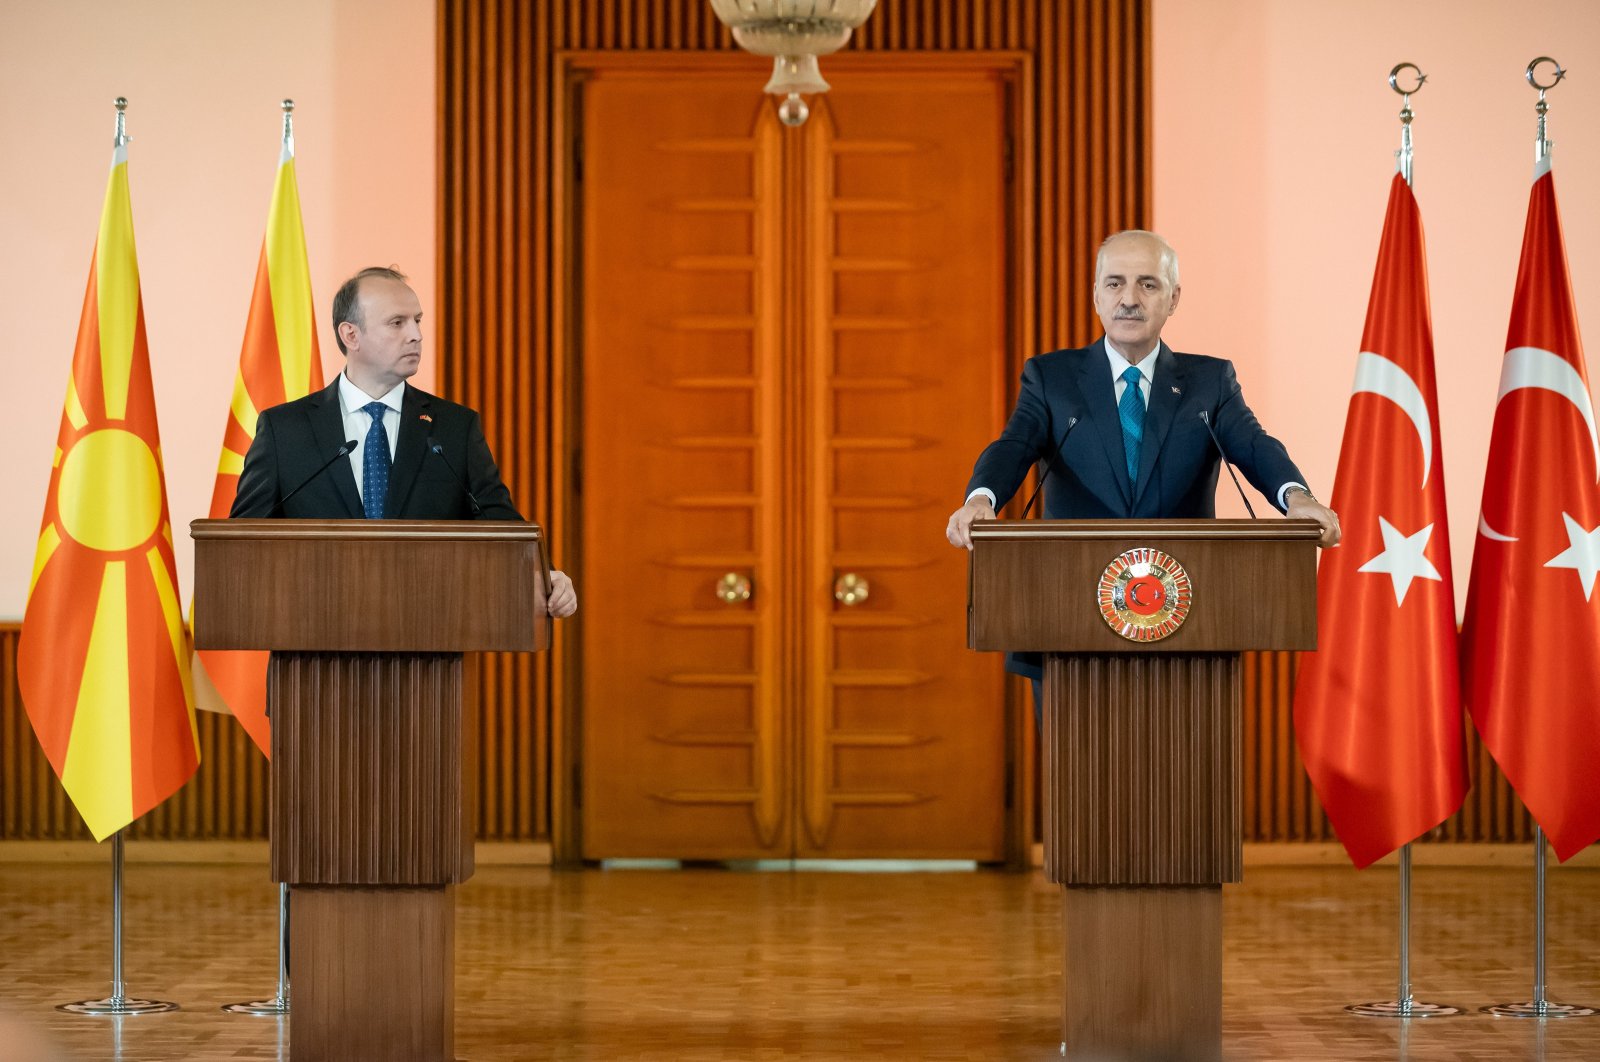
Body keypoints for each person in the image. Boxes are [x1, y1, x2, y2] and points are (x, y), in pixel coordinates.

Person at [946, 230, 1336, 681]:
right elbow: (1014, 446)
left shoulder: (1210, 380)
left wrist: (1297, 498)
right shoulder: (1050, 377)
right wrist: (982, 499)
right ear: (1096, 295)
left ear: (1173, 299)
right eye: (1114, 283)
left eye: (1148, 284)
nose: (1129, 298)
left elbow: (1252, 445)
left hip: (1188, 619)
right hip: (1065, 612)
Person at [231, 265, 577, 618]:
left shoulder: (453, 428)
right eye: (397, 323)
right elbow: (240, 544)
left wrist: (544, 575)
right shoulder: (285, 430)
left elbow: (500, 525)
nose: (415, 335)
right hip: (310, 639)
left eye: (417, 321)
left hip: (428, 642)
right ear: (351, 335)